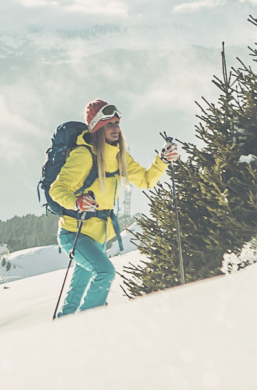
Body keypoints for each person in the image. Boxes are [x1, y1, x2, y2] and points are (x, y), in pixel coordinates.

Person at [49, 100, 178, 317]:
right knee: (105, 272)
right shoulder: (83, 155)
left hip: (98, 237)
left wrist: (162, 160)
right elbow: (57, 189)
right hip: (75, 233)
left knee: (78, 290)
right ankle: (90, 322)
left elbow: (146, 180)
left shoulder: (119, 156)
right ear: (98, 128)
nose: (116, 128)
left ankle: (64, 327)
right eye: (109, 124)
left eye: (117, 123)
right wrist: (76, 202)